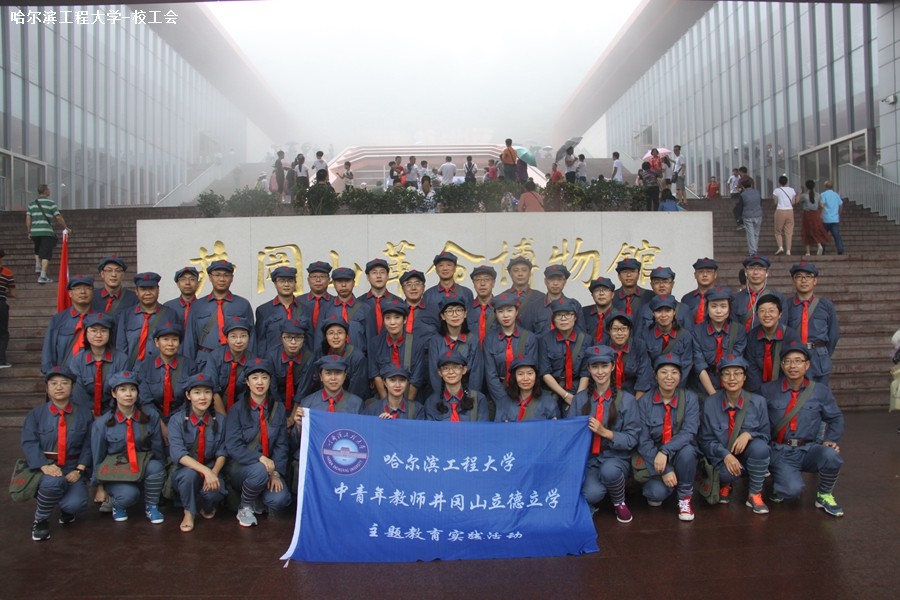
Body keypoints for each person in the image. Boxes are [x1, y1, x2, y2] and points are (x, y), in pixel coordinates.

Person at [761, 341, 845, 516]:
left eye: (798, 361)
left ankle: (824, 495)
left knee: (831, 456)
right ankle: (780, 480)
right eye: (788, 361)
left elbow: (836, 418)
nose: (793, 366)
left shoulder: (820, 391)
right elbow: (758, 421)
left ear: (807, 365)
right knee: (792, 491)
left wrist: (831, 440)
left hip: (809, 449)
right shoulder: (768, 390)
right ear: (782, 365)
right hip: (781, 450)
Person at [21, 366, 93, 541]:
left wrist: (79, 469)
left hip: (72, 466)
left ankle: (66, 508)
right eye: (54, 383)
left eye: (64, 383)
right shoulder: (36, 414)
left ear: (72, 387)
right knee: (53, 482)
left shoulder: (84, 413)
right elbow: (29, 442)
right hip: (46, 466)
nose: (59, 387)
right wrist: (44, 465)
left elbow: (89, 444)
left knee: (77, 504)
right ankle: (40, 520)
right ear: (47, 388)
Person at [569, 345, 640, 523]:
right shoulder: (580, 399)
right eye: (595, 367)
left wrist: (605, 433)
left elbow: (632, 438)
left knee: (609, 471)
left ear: (613, 366)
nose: (600, 372)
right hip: (590, 460)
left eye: (604, 366)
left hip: (615, 457)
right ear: (588, 368)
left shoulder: (627, 400)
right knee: (591, 494)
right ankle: (598, 493)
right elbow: (570, 434)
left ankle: (619, 502)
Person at [91, 370, 167, 524]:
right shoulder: (102, 423)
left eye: (133, 389)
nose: (128, 394)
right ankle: (117, 504)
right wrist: (99, 487)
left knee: (157, 466)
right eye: (123, 389)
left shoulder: (150, 416)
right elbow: (97, 456)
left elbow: (158, 447)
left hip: (141, 464)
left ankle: (152, 506)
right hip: (116, 469)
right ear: (114, 393)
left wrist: (162, 474)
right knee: (129, 496)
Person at [697, 355, 771, 514]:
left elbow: (766, 435)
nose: (732, 378)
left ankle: (754, 494)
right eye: (727, 374)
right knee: (725, 475)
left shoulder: (758, 402)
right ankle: (725, 484)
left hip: (747, 456)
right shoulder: (710, 403)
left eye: (737, 373)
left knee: (761, 448)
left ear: (744, 377)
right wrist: (725, 455)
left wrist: (749, 434)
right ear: (721, 378)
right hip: (722, 458)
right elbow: (705, 440)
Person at [225, 358, 291, 527]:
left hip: (269, 469)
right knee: (260, 471)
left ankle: (256, 496)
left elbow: (281, 445)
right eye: (254, 378)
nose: (260, 382)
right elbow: (233, 446)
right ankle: (245, 506)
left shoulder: (278, 408)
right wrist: (259, 458)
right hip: (241, 468)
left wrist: (276, 473)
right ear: (247, 382)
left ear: (270, 381)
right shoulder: (236, 410)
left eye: (264, 377)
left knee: (280, 499)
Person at [635, 353, 700, 521]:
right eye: (664, 372)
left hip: (677, 452)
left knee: (688, 451)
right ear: (655, 375)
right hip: (654, 457)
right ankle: (670, 483)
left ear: (680, 376)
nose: (669, 377)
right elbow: (643, 440)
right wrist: (665, 469)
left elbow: (689, 431)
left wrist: (665, 451)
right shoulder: (644, 401)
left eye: (674, 372)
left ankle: (684, 497)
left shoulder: (690, 399)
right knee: (654, 494)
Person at [168, 372, 227, 532]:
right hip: (185, 471)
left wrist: (213, 472)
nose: (203, 397)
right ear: (188, 395)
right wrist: (206, 471)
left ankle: (208, 506)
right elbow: (178, 453)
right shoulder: (176, 421)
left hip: (212, 467)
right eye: (197, 392)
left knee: (214, 492)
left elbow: (222, 451)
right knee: (189, 475)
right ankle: (189, 512)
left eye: (207, 392)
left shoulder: (221, 421)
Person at [184, 260, 255, 358]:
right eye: (217, 275)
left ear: (232, 278)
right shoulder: (197, 306)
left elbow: (251, 338)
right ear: (210, 277)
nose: (222, 279)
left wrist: (249, 362)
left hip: (235, 360)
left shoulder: (242, 304)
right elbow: (190, 340)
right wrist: (189, 365)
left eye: (226, 275)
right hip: (205, 360)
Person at [137, 322, 198, 435]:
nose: (170, 344)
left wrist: (174, 423)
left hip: (182, 418)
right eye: (165, 339)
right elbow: (145, 400)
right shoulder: (146, 366)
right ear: (156, 342)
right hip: (152, 418)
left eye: (175, 340)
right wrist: (160, 424)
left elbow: (191, 399)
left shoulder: (189, 366)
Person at [784, 262, 839, 384]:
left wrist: (823, 353)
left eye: (808, 276)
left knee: (820, 393)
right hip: (794, 358)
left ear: (815, 281)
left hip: (818, 358)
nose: (803, 280)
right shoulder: (787, 306)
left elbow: (833, 335)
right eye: (799, 276)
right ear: (793, 281)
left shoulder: (826, 306)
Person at [482, 293, 538, 411]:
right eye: (500, 311)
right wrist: (503, 402)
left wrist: (521, 399)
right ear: (495, 314)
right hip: (498, 394)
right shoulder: (489, 340)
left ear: (516, 312)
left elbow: (531, 371)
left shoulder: (529, 338)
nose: (505, 315)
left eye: (509, 310)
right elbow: (491, 375)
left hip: (524, 394)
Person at [67, 313, 129, 417]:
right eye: (94, 330)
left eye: (103, 331)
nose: (98, 335)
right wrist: (89, 414)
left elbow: (123, 390)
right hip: (84, 413)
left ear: (110, 333)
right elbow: (78, 394)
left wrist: (108, 415)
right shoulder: (78, 360)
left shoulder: (121, 359)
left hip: (114, 414)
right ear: (86, 333)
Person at [690, 287, 747, 398]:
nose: (718, 311)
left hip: (731, 386)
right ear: (707, 308)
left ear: (729, 308)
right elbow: (699, 366)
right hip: (704, 387)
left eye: (723, 306)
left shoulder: (738, 331)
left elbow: (735, 362)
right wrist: (714, 396)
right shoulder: (697, 331)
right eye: (714, 306)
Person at [116, 273, 178, 370]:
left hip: (161, 371)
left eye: (151, 288)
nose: (148, 293)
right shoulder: (126, 315)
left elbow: (176, 346)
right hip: (133, 371)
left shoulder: (170, 314)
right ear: (136, 291)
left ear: (158, 290)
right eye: (143, 289)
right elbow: (121, 348)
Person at [367, 299, 426, 402]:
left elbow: (416, 379)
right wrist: (387, 404)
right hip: (383, 398)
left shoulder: (416, 343)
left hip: (409, 398)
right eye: (388, 318)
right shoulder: (375, 343)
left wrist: (406, 405)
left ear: (405, 320)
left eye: (397, 317)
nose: (392, 322)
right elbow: (375, 374)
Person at [539, 298, 590, 413]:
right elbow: (545, 372)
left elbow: (585, 373)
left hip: (577, 389)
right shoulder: (545, 340)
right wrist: (565, 395)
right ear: (553, 319)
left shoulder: (586, 340)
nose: (563, 319)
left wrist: (577, 398)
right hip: (552, 390)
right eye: (559, 315)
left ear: (575, 317)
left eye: (568, 314)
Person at [427, 296, 483, 398]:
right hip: (442, 396)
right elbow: (434, 373)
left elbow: (476, 375)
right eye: (449, 311)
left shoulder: (473, 340)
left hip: (466, 396)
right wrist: (443, 398)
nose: (455, 315)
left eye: (459, 310)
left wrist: (470, 398)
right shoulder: (435, 341)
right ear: (443, 316)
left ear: (465, 314)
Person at [744, 294, 801, 393]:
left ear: (780, 314)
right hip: (759, 389)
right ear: (757, 314)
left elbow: (793, 367)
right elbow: (752, 371)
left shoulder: (790, 336)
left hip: (785, 389)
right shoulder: (751, 337)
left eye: (771, 310)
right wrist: (760, 395)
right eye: (762, 311)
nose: (767, 315)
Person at [41, 274, 95, 375]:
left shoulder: (101, 318)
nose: (83, 292)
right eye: (78, 288)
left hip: (93, 375)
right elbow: (48, 349)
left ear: (93, 292)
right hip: (65, 375)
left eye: (87, 288)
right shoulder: (58, 320)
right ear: (70, 293)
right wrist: (50, 374)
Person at [202, 316, 253, 413]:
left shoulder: (252, 360)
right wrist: (224, 418)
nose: (238, 341)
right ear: (226, 338)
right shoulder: (215, 357)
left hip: (243, 411)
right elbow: (212, 390)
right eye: (233, 336)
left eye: (243, 336)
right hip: (215, 410)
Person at [639, 294, 694, 379]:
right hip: (652, 382)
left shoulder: (685, 336)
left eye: (668, 311)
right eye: (659, 311)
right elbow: (644, 365)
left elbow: (686, 365)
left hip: (676, 383)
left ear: (674, 312)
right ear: (653, 313)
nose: (663, 315)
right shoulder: (645, 335)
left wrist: (672, 383)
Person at [314, 314, 369, 399]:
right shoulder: (320, 353)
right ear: (326, 336)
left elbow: (357, 390)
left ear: (346, 336)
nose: (335, 337)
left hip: (348, 402)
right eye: (331, 333)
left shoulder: (357, 357)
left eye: (340, 333)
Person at [424, 350, 489, 422]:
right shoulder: (431, 402)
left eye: (455, 367)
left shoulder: (478, 399)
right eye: (445, 368)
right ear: (440, 372)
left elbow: (482, 428)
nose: (451, 372)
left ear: (464, 370)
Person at [320, 267, 371, 354]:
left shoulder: (365, 308)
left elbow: (371, 340)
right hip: (333, 359)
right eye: (339, 281)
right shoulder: (326, 308)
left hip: (359, 358)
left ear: (353, 283)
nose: (343, 285)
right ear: (334, 284)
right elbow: (320, 338)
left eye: (347, 281)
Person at [255, 266, 302, 359]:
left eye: (290, 281)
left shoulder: (305, 310)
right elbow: (261, 343)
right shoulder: (264, 310)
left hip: (300, 362)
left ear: (295, 283)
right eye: (282, 281)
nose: (286, 284)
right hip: (272, 361)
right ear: (275, 284)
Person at [26, 184, 69, 284]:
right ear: (45, 191)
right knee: (46, 255)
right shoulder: (50, 203)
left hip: (35, 232)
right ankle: (42, 276)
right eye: (48, 189)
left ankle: (37, 265)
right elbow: (58, 217)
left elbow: (28, 218)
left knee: (37, 249)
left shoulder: (31, 204)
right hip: (46, 232)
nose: (49, 191)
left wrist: (29, 231)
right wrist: (66, 227)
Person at [603, 311, 652, 398]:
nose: (619, 333)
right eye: (615, 329)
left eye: (624, 328)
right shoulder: (602, 346)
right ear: (609, 331)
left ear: (629, 331)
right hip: (607, 394)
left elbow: (643, 379)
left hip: (632, 394)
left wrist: (635, 402)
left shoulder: (639, 346)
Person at [495, 354, 558, 421]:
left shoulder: (548, 401)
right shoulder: (504, 402)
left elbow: (556, 426)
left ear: (536, 376)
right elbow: (498, 426)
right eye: (520, 374)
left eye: (530, 373)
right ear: (514, 377)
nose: (525, 378)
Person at [269, 318, 315, 410]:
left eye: (298, 337)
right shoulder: (271, 356)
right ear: (281, 338)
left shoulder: (309, 357)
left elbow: (303, 390)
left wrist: (293, 415)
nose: (293, 342)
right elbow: (273, 389)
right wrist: (280, 413)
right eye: (288, 337)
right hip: (276, 403)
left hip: (299, 404)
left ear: (304, 339)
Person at [299, 355, 366, 414]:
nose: (333, 378)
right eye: (328, 373)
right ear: (321, 377)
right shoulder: (307, 403)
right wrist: (298, 423)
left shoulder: (357, 404)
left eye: (338, 373)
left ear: (344, 376)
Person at [423, 252, 474, 317]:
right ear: (436, 269)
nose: (445, 268)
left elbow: (470, 318)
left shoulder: (466, 293)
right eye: (441, 265)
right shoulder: (429, 294)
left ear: (455, 268)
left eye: (449, 265)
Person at [360, 258, 399, 339]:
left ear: (387, 276)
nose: (378, 276)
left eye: (382, 272)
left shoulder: (398, 302)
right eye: (374, 272)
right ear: (368, 277)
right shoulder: (359, 303)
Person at [681, 257, 718, 325]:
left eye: (709, 272)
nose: (705, 275)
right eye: (700, 272)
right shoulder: (687, 299)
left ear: (715, 275)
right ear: (695, 275)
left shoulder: (722, 298)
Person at [298, 261, 333, 333]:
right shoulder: (297, 302)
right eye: (314, 277)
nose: (318, 280)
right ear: (308, 280)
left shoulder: (335, 302)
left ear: (329, 280)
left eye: (322, 277)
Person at [163, 266, 200, 332]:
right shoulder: (168, 307)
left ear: (197, 283)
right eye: (183, 279)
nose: (187, 283)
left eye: (192, 279)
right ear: (178, 284)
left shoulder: (204, 306)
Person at [799, 180, 830, 256]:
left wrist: (800, 192)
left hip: (807, 215)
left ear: (806, 186)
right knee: (816, 230)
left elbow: (797, 201)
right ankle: (819, 244)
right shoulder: (818, 195)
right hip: (816, 214)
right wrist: (821, 214)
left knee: (806, 231)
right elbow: (822, 205)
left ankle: (808, 252)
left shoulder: (804, 195)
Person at [467, 265, 496, 343]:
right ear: (473, 284)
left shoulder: (500, 308)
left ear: (493, 283)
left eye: (487, 279)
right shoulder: (466, 310)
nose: (482, 283)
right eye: (478, 280)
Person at [582, 277, 615, 344]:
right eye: (597, 290)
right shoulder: (583, 313)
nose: (601, 293)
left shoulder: (620, 316)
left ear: (612, 294)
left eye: (605, 290)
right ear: (592, 295)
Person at [773, 175, 798, 256]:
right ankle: (788, 250)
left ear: (779, 182)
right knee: (789, 232)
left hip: (780, 210)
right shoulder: (792, 190)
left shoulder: (776, 191)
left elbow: (775, 202)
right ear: (787, 181)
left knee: (778, 231)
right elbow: (793, 202)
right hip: (790, 211)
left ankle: (780, 247)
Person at [0, 248, 16, 367]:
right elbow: (13, 293)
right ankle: (1, 360)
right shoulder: (7, 273)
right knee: (2, 333)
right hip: (1, 305)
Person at [820, 181, 845, 255]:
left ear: (825, 187)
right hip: (835, 219)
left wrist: (821, 214)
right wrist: (839, 214)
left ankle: (822, 250)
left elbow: (822, 205)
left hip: (826, 218)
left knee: (823, 235)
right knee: (836, 235)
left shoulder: (823, 194)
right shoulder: (836, 195)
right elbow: (841, 204)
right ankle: (840, 249)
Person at [740, 177, 763, 255]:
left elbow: (741, 206)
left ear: (743, 187)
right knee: (756, 233)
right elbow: (760, 202)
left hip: (747, 215)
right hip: (758, 214)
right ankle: (754, 249)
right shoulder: (757, 192)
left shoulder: (743, 194)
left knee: (750, 234)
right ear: (751, 185)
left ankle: (752, 251)